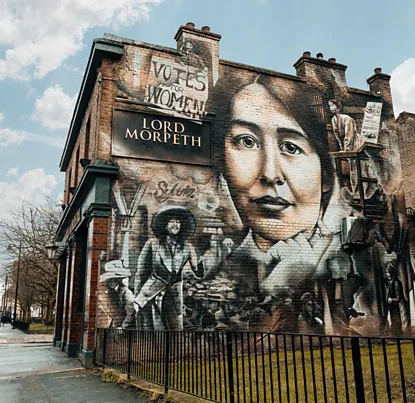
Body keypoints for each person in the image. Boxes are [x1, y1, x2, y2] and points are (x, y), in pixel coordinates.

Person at [209, 74, 337, 302]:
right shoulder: (222, 270)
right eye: (247, 142)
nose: (269, 174)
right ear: (222, 163)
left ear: (326, 175)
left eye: (291, 147)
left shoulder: (354, 258)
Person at [135, 206, 204, 330]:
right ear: (165, 225)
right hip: (153, 289)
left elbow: (198, 272)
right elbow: (141, 271)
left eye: (178, 222)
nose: (175, 225)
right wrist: (138, 293)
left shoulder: (187, 247)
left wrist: (201, 261)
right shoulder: (153, 244)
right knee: (153, 323)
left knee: (176, 324)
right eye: (172, 221)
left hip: (175, 290)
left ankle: (174, 347)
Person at [99, 260, 136, 329]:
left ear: (117, 280)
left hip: (124, 329)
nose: (108, 282)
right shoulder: (112, 292)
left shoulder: (127, 293)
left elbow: (131, 313)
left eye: (111, 279)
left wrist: (123, 327)